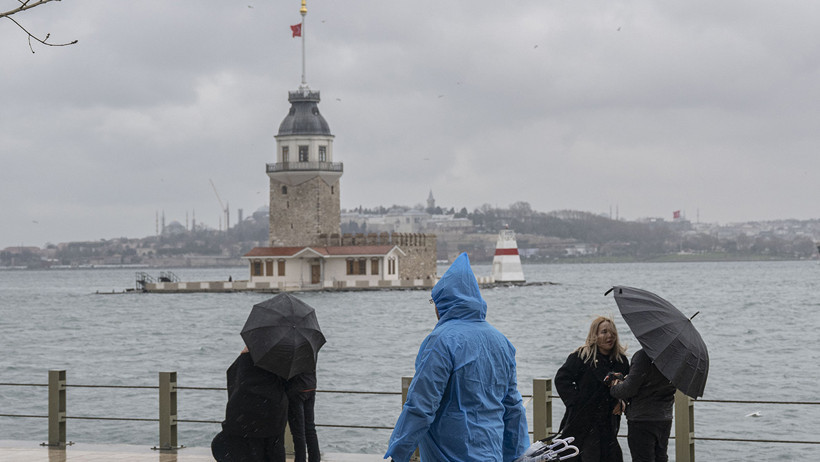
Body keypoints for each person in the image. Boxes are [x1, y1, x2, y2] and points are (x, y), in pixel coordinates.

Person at [384, 252, 529, 462]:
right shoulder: (501, 341)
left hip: (449, 453)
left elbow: (421, 405)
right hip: (491, 452)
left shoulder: (441, 341)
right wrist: (515, 454)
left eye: (434, 302)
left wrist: (398, 453)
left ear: (443, 302)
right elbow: (513, 407)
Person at [554, 316, 629, 462]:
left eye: (612, 333)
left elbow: (628, 386)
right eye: (604, 332)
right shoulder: (582, 356)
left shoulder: (621, 361)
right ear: (594, 335)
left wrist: (622, 402)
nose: (609, 336)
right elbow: (562, 379)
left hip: (608, 420)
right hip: (583, 418)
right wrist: (576, 402)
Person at [211, 346, 288, 462]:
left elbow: (235, 380)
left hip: (247, 417)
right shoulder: (278, 361)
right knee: (271, 451)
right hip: (273, 417)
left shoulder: (245, 360)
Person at [608, 349, 676, 462]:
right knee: (661, 457)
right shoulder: (674, 358)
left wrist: (614, 387)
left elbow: (629, 389)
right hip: (664, 418)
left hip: (642, 418)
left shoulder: (644, 356)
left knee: (643, 458)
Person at [285, 371, 321, 462]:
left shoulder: (291, 356)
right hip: (310, 386)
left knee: (298, 432)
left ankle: (300, 459)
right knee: (310, 428)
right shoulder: (309, 355)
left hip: (296, 389)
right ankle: (315, 458)